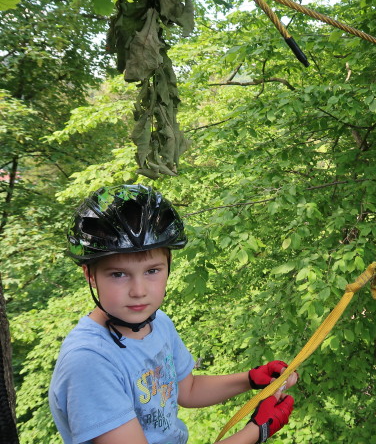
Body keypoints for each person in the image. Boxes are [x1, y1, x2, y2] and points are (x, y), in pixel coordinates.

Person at [49, 184, 296, 444]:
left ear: (168, 266)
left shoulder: (157, 323)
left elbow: (186, 390)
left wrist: (249, 379)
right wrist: (256, 431)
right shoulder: (90, 361)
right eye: (118, 274)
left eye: (152, 271)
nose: (139, 291)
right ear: (90, 275)